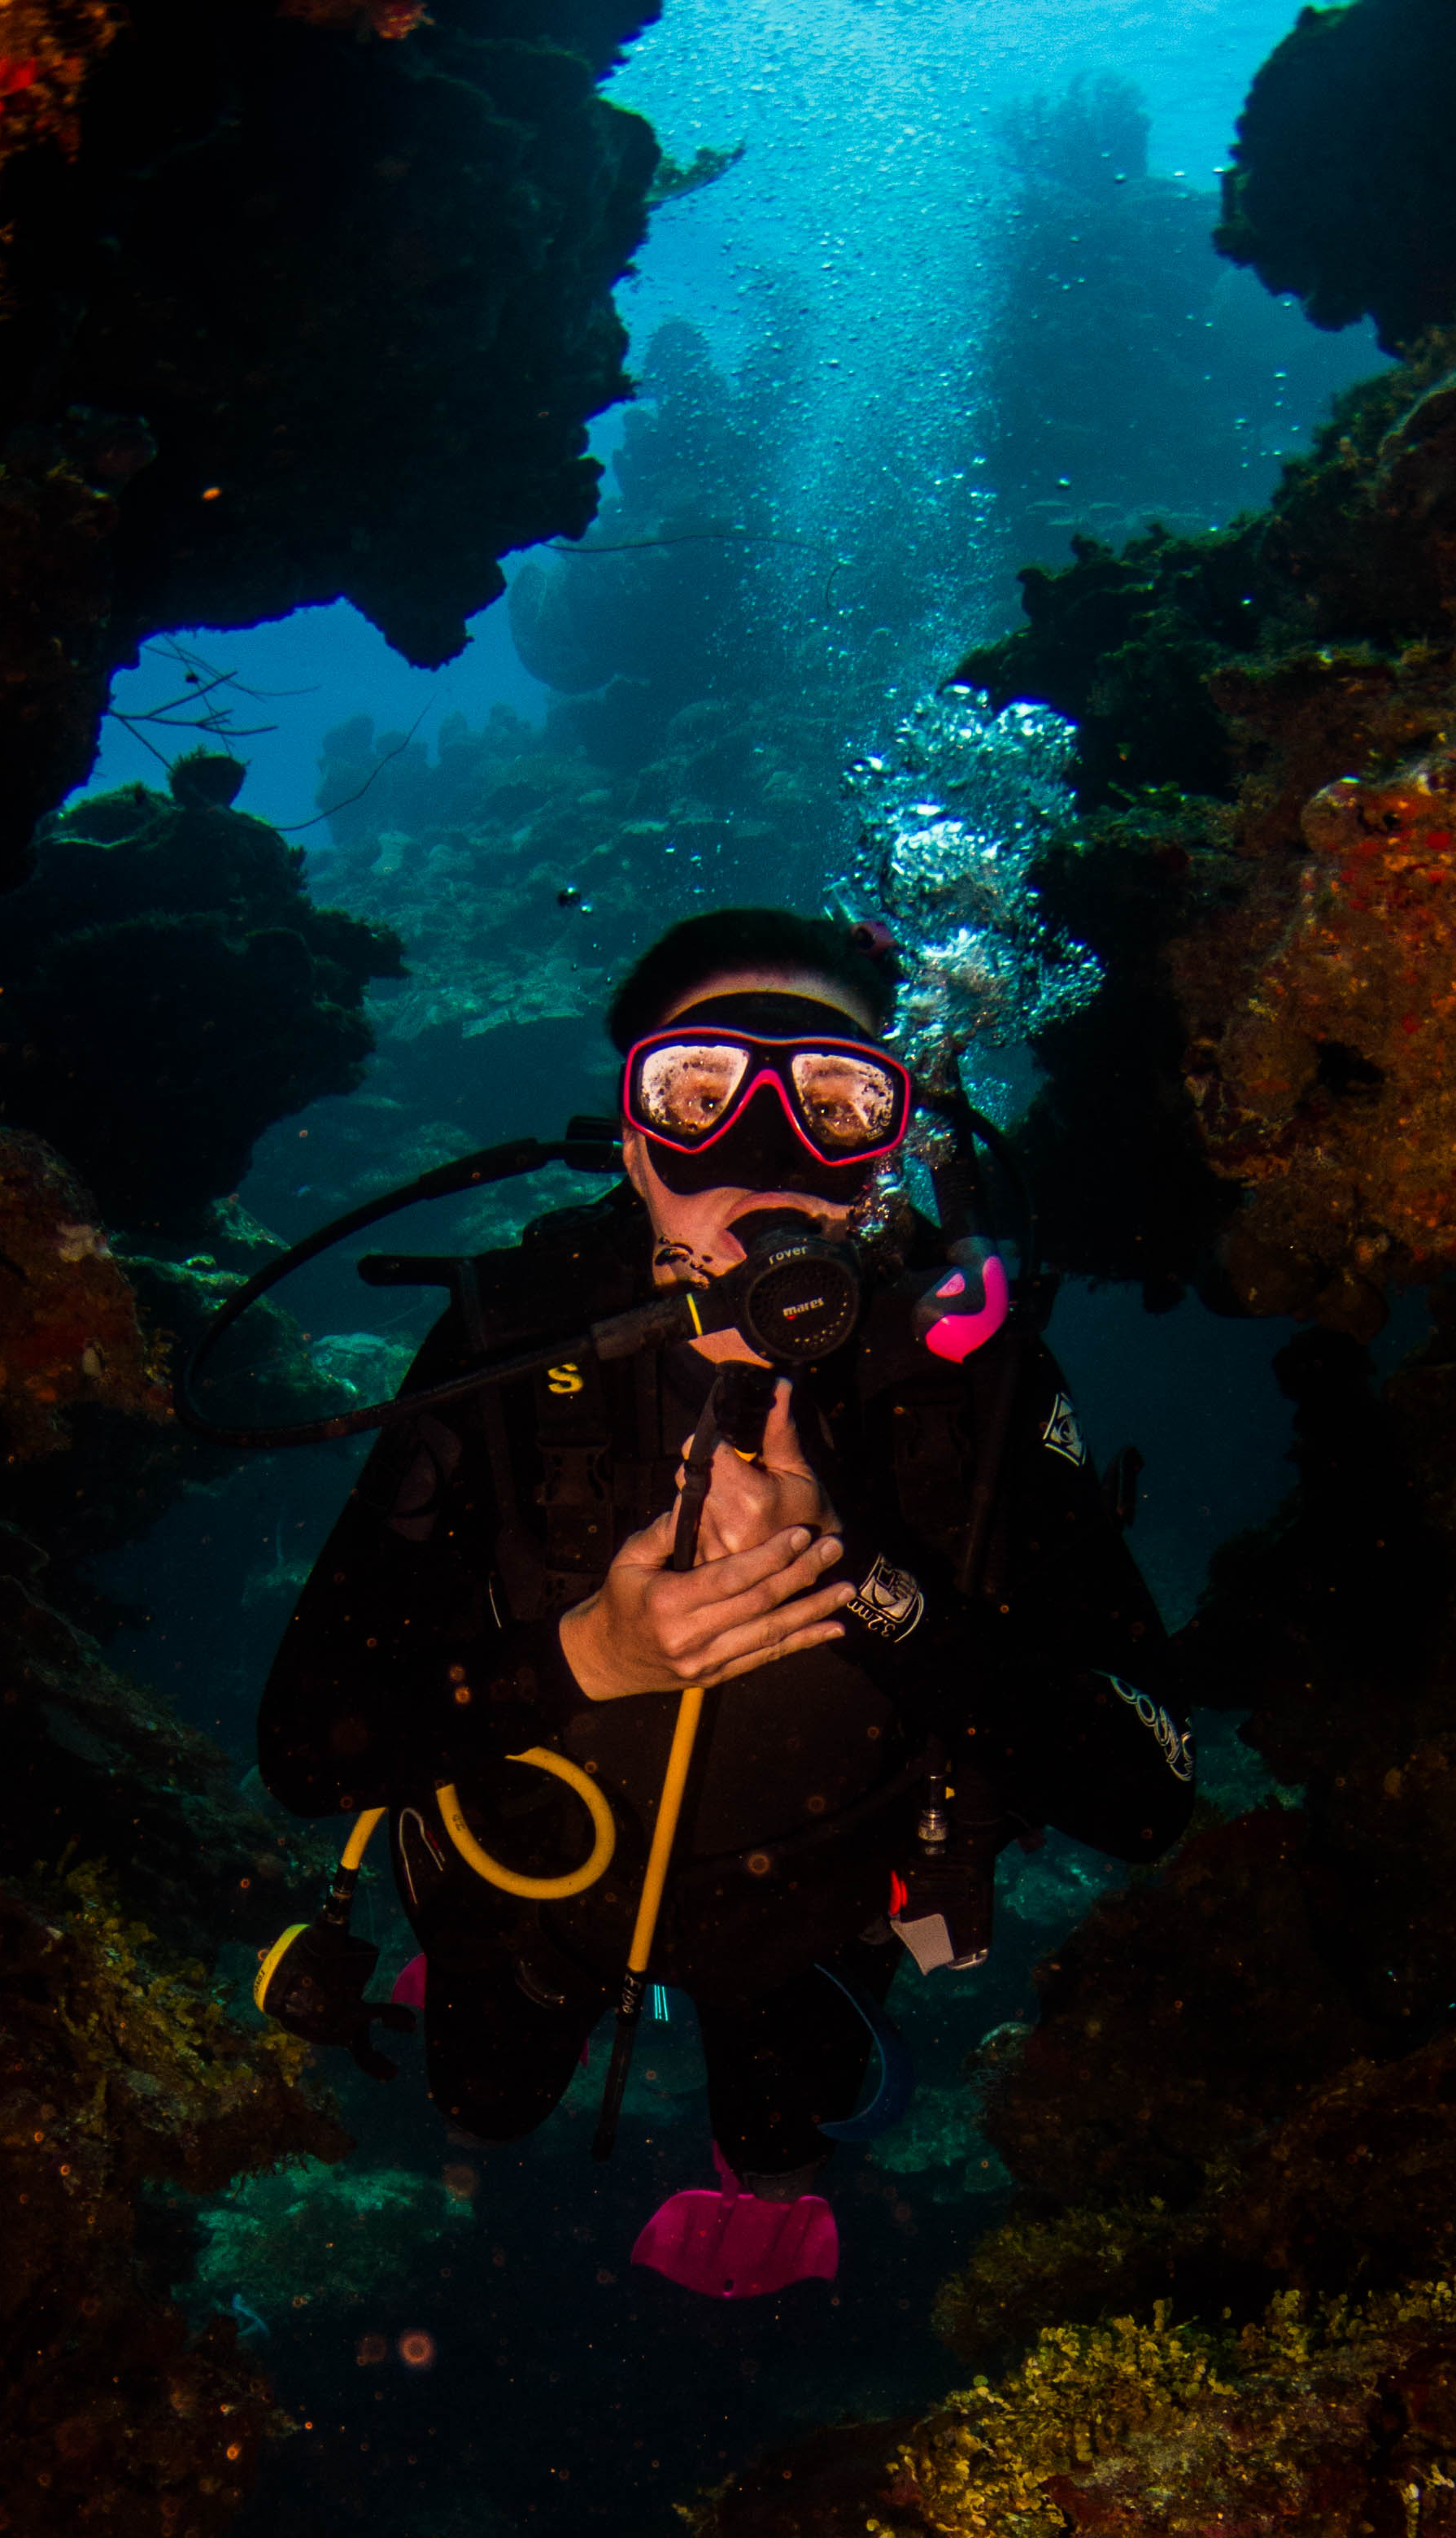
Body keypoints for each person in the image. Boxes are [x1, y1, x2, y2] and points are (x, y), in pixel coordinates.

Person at [254, 905, 1192, 2198]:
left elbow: (1147, 1789)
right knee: (479, 2110)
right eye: (700, 1096)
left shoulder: (968, 1380)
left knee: (781, 2146)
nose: (767, 1167)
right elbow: (308, 1745)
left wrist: (861, 1580)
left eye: (837, 1101)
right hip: (542, 1874)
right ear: (638, 1144)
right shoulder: (519, 1340)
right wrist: (590, 1656)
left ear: (891, 1152)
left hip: (813, 1907)